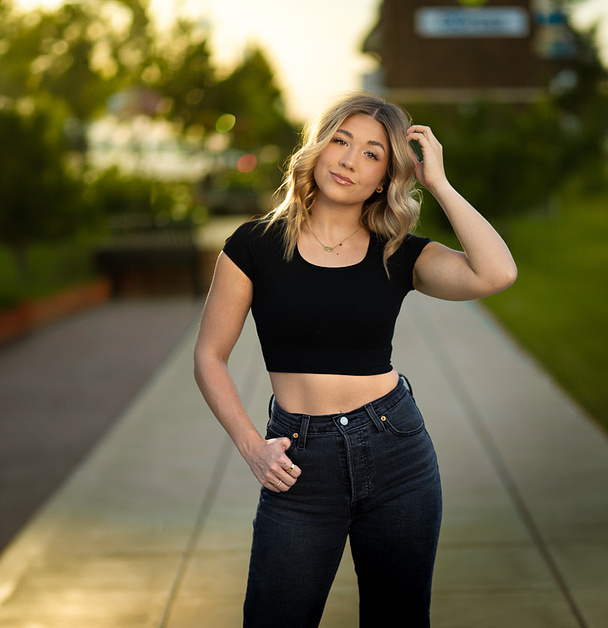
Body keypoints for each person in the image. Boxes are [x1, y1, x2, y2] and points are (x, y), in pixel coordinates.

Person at [192, 92, 518, 627]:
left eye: (372, 153)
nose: (348, 160)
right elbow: (209, 355)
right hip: (299, 461)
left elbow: (496, 273)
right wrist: (252, 447)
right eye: (340, 141)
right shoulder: (254, 245)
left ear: (386, 177)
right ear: (317, 150)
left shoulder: (398, 251)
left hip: (397, 454)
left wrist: (438, 183)